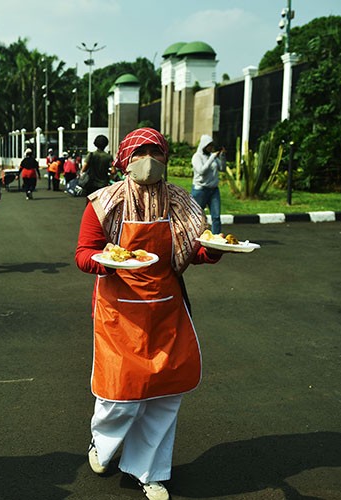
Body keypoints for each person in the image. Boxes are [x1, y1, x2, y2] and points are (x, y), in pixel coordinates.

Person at [74, 128, 222, 500]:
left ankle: (149, 471)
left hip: (167, 311)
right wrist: (107, 263)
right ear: (125, 158)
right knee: (119, 395)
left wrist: (214, 250)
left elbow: (194, 251)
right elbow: (84, 252)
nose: (149, 159)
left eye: (156, 152)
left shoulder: (182, 203)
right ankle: (102, 446)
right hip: (119, 313)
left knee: (164, 396)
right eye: (140, 152)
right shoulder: (104, 203)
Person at [191, 135, 226, 234]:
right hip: (200, 190)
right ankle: (195, 236)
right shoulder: (197, 157)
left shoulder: (212, 156)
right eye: (209, 146)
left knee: (216, 216)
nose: (211, 148)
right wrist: (212, 158)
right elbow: (201, 171)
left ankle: (216, 238)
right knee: (197, 215)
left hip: (213, 190)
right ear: (204, 145)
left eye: (212, 146)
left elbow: (222, 168)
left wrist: (222, 156)